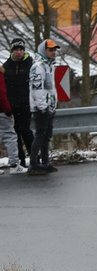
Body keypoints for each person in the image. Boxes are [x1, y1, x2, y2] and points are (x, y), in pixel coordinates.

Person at [28, 38, 60, 175]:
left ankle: (45, 162)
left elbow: (50, 89)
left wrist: (52, 105)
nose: (53, 52)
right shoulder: (38, 67)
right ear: (44, 50)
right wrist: (43, 107)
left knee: (46, 136)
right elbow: (37, 89)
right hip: (41, 107)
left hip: (48, 106)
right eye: (50, 50)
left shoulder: (49, 65)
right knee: (40, 135)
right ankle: (33, 164)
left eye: (54, 50)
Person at [3, 38, 33, 168]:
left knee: (26, 131)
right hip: (12, 106)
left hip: (26, 104)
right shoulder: (6, 66)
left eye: (21, 50)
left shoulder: (30, 64)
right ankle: (20, 161)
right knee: (15, 134)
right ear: (12, 51)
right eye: (16, 50)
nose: (19, 52)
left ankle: (34, 158)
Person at [0, 63, 27, 173]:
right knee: (10, 136)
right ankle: (14, 165)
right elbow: (1, 93)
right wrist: (8, 109)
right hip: (2, 111)